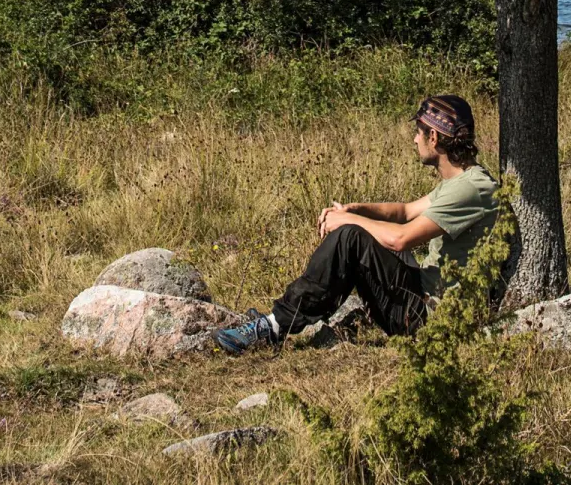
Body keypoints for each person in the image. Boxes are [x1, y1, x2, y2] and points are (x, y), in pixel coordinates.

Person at [214, 94, 500, 355]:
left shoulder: (473, 188)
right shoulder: (461, 182)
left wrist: (348, 220)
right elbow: (403, 212)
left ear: (434, 137)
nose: (415, 140)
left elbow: (401, 238)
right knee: (355, 234)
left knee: (351, 237)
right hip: (422, 295)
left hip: (432, 317)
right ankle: (283, 318)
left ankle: (274, 326)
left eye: (419, 132)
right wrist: (356, 209)